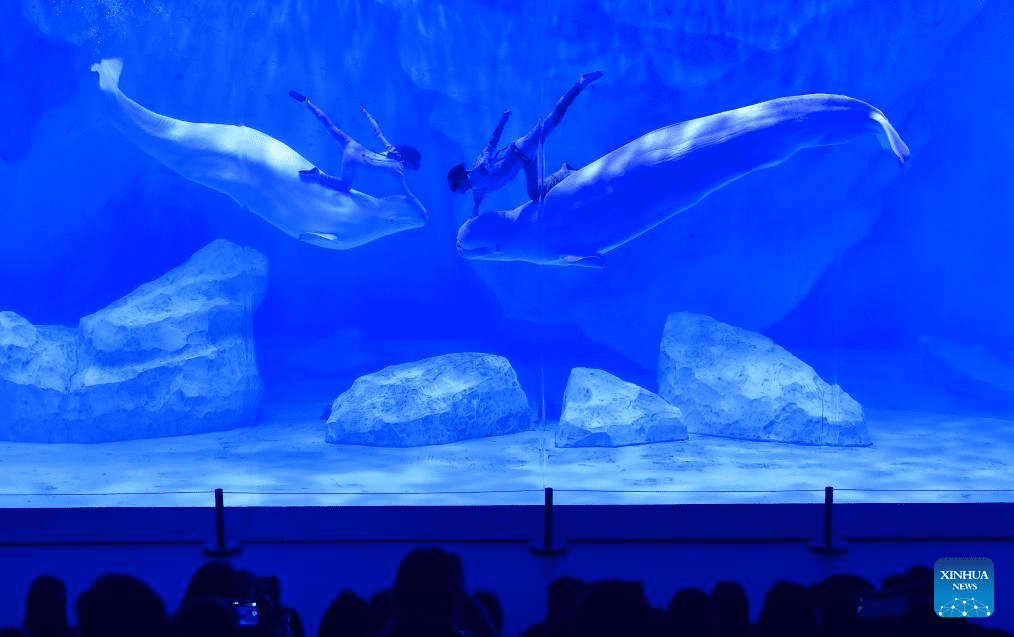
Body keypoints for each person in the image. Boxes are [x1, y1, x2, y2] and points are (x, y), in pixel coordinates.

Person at [447, 71, 602, 217]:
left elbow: (491, 144)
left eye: (456, 188)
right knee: (535, 194)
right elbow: (475, 211)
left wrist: (503, 121)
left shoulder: (478, 169)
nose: (458, 192)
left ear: (461, 180)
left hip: (521, 149)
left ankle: (580, 83)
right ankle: (564, 172)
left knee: (553, 120)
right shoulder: (477, 192)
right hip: (526, 161)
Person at [289, 91, 426, 217]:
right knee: (344, 186)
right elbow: (409, 195)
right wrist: (422, 211)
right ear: (408, 162)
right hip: (353, 160)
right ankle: (318, 175)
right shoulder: (399, 171)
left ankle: (307, 103)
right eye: (411, 166)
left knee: (330, 125)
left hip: (353, 145)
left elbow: (377, 132)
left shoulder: (392, 150)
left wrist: (367, 114)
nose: (409, 168)